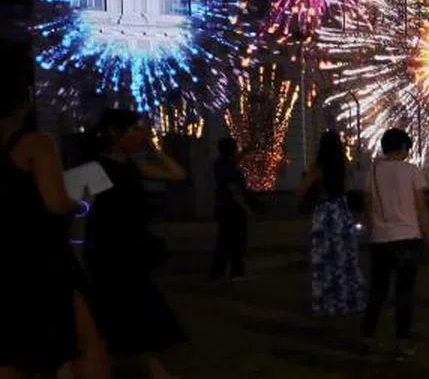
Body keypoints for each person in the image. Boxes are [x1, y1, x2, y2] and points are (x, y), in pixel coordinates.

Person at [0, 74, 110, 379]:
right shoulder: (35, 144)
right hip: (39, 254)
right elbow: (55, 203)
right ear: (22, 103)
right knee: (85, 333)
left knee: (8, 345)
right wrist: (81, 203)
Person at [84, 109, 187, 379]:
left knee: (136, 310)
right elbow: (70, 205)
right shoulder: (97, 168)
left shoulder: (132, 167)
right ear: (115, 134)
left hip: (132, 248)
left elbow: (177, 174)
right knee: (117, 311)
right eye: (135, 130)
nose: (141, 135)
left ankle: (153, 369)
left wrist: (155, 149)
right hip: (108, 250)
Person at [359, 129, 429, 361]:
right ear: (402, 147)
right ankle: (402, 343)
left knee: (377, 292)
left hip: (381, 239)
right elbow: (421, 209)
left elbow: (368, 208)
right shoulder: (411, 171)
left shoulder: (372, 172)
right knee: (404, 293)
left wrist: (372, 233)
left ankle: (367, 338)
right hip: (408, 238)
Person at [298, 131, 365, 318]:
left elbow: (300, 191)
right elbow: (350, 185)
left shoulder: (317, 168)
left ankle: (327, 303)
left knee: (325, 257)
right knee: (345, 256)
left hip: (325, 212)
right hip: (342, 211)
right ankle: (349, 300)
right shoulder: (343, 165)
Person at [210, 137, 253, 282]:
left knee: (225, 240)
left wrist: (245, 151)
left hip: (225, 208)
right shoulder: (227, 167)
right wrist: (246, 208)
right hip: (232, 209)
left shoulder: (221, 163)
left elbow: (235, 160)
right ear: (231, 150)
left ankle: (218, 272)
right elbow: (233, 189)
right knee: (236, 241)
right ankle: (236, 272)